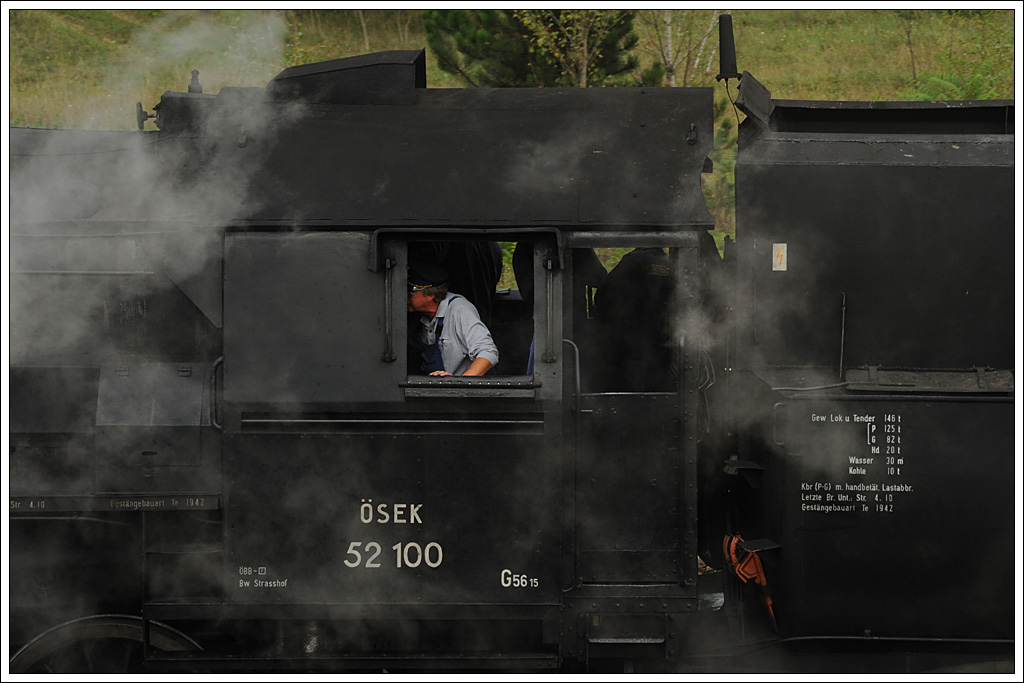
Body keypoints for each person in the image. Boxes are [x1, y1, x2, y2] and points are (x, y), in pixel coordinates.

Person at [407, 261, 499, 377]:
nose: (405, 296)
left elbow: (488, 352)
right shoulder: (420, 318)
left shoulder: (460, 310)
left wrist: (461, 384)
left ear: (430, 295)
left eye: (411, 292)